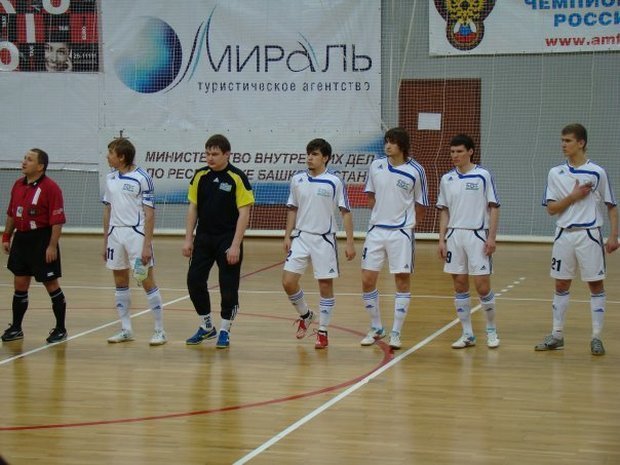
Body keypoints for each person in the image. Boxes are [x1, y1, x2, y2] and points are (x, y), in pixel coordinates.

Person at [536, 123, 618, 355]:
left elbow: (611, 206)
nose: (563, 144)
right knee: (561, 284)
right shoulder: (555, 173)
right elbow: (551, 209)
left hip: (589, 234)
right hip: (563, 234)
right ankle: (557, 335)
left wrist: (614, 235)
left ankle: (596, 337)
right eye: (562, 140)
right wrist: (573, 196)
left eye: (568, 140)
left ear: (581, 143)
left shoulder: (597, 172)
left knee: (595, 284)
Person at [282, 138, 356, 349]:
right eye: (308, 154)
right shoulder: (297, 180)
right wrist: (287, 235)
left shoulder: (334, 181)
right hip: (301, 237)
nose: (309, 158)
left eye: (314, 154)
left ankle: (322, 331)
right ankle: (306, 315)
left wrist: (350, 242)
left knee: (325, 285)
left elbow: (345, 212)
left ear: (325, 158)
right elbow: (292, 208)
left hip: (324, 239)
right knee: (288, 282)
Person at [183, 134, 255, 349]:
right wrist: (188, 239)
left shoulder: (237, 177)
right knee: (194, 281)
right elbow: (193, 208)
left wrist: (235, 245)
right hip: (203, 238)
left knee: (228, 288)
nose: (210, 158)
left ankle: (225, 329)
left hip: (228, 239)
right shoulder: (200, 176)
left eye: (214, 154)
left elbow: (244, 213)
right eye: (207, 153)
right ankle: (206, 326)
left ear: (227, 154)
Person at [360, 127, 429, 350]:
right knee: (367, 279)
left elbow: (421, 204)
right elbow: (370, 196)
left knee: (401, 280)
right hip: (376, 231)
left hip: (401, 233)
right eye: (386, 142)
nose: (387, 146)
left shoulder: (416, 170)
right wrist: (380, 214)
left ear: (402, 145)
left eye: (392, 142)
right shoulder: (376, 166)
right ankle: (376, 327)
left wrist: (409, 225)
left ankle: (396, 332)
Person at [437, 134, 500, 349]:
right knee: (459, 285)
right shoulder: (447, 179)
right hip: (454, 236)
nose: (455, 155)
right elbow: (444, 210)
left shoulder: (483, 175)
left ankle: (491, 330)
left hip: (477, 235)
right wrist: (441, 239)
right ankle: (467, 333)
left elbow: (494, 207)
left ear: (470, 152)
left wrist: (491, 237)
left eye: (459, 151)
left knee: (482, 286)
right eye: (452, 152)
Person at [102, 137, 166, 345]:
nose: (107, 157)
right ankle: (126, 329)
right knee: (120, 282)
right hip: (115, 236)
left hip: (136, 236)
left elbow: (150, 214)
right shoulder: (110, 178)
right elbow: (108, 210)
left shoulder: (142, 178)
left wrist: (147, 245)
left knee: (145, 280)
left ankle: (159, 330)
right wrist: (105, 241)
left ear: (121, 157)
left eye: (111, 153)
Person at [1, 148, 68, 344]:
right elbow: (12, 213)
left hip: (41, 240)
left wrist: (52, 246)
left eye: (29, 160)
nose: (24, 162)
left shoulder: (51, 188)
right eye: (24, 158)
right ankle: (16, 327)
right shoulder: (18, 184)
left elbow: (57, 221)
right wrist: (6, 236)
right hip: (22, 240)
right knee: (20, 283)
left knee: (51, 284)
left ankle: (61, 329)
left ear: (40, 166)